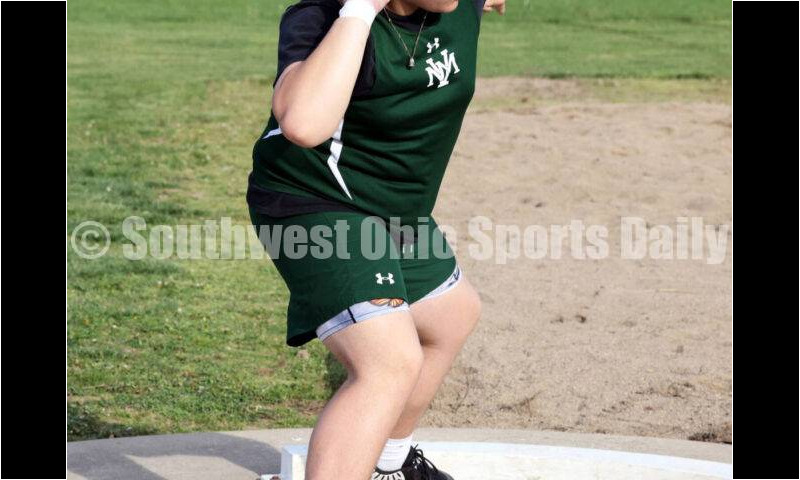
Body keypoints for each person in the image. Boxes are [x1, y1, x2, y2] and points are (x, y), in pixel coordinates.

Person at [247, 0, 505, 478]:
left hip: (393, 207)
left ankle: (392, 465)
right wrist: (361, 10)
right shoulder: (324, 17)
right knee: (387, 363)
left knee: (451, 318)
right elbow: (302, 122)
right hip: (313, 200)